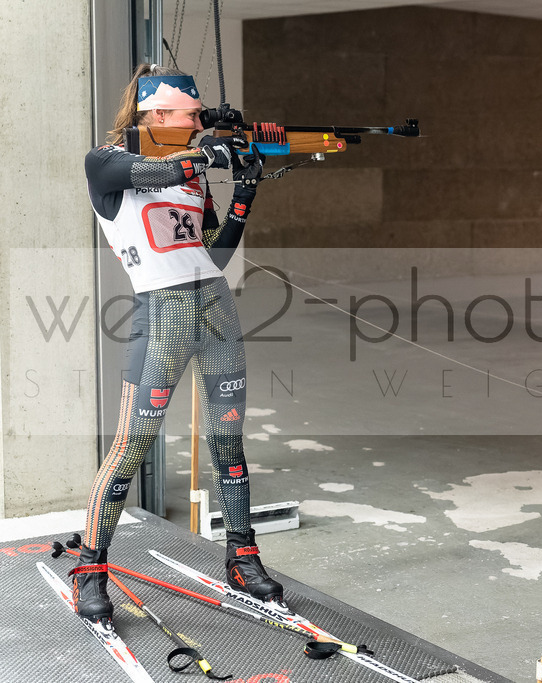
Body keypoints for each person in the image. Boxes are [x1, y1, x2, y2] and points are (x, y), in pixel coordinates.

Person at [74, 64, 281, 621]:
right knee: (132, 443)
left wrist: (243, 192)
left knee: (228, 440)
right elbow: (150, 171)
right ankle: (90, 568)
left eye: (197, 117)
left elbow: (213, 253)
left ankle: (242, 556)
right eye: (189, 116)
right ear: (153, 115)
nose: (195, 123)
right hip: (160, 311)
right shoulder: (107, 161)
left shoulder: (188, 175)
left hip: (215, 306)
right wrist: (207, 154)